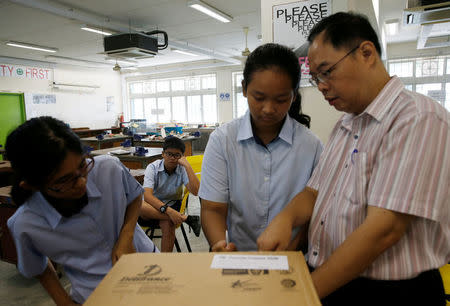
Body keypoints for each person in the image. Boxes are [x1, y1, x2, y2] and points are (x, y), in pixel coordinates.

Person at [257, 12, 449, 305]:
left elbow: (384, 230)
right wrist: (286, 218)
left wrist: (303, 295)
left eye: (327, 71)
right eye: (315, 78)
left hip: (389, 293)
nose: (320, 85)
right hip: (333, 280)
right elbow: (314, 192)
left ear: (366, 53)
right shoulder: (346, 125)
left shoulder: (418, 118)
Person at [6, 116, 157, 305]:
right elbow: (39, 269)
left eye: (82, 166)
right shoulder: (26, 224)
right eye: (64, 180)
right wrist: (64, 302)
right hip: (96, 294)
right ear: (33, 185)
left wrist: (126, 235)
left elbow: (134, 196)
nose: (81, 183)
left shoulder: (107, 169)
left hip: (151, 271)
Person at [199, 43, 323, 252]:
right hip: (238, 256)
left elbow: (313, 214)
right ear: (245, 88)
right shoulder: (222, 140)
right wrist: (219, 244)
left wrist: (290, 251)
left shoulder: (311, 146)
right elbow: (213, 208)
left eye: (281, 99)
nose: (268, 109)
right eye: (259, 97)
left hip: (292, 258)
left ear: (293, 95)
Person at [140, 136, 201, 252]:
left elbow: (196, 191)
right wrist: (169, 211)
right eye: (169, 154)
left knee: (168, 224)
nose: (172, 158)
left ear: (182, 156)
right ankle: (185, 218)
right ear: (163, 154)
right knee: (139, 205)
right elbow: (147, 196)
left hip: (173, 204)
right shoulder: (152, 167)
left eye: (177, 155)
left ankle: (164, 263)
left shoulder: (182, 168)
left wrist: (188, 166)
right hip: (153, 206)